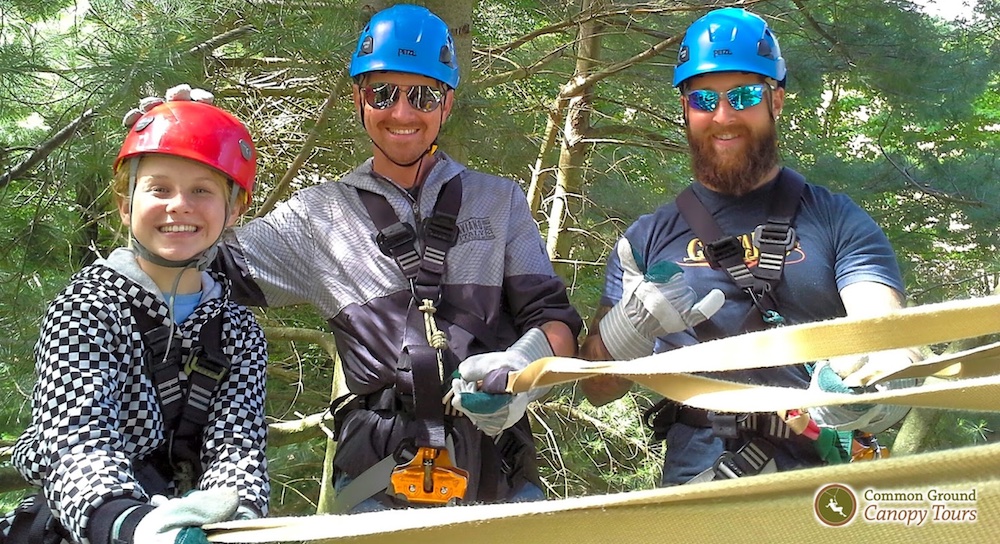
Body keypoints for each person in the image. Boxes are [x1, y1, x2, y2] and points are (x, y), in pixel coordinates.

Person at [201, 4, 581, 511]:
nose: (402, 113)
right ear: (360, 99)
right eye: (383, 93)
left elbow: (556, 322)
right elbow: (194, 264)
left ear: (446, 104)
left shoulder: (499, 202)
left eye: (422, 94)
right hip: (378, 474)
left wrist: (520, 370)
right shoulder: (319, 217)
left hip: (496, 466)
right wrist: (189, 155)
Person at [579, 7, 913, 486]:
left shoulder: (837, 220)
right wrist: (624, 333)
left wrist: (875, 370)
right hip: (697, 478)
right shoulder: (645, 240)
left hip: (817, 474)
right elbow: (597, 388)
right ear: (685, 108)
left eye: (744, 95)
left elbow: (881, 328)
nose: (723, 116)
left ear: (775, 100)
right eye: (703, 100)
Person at [0, 96, 269, 544]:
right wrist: (131, 525)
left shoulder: (237, 331)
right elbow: (76, 438)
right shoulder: (88, 309)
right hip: (91, 526)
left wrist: (236, 520)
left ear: (234, 209)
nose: (179, 205)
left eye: (202, 190)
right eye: (159, 189)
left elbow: (237, 446)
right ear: (125, 206)